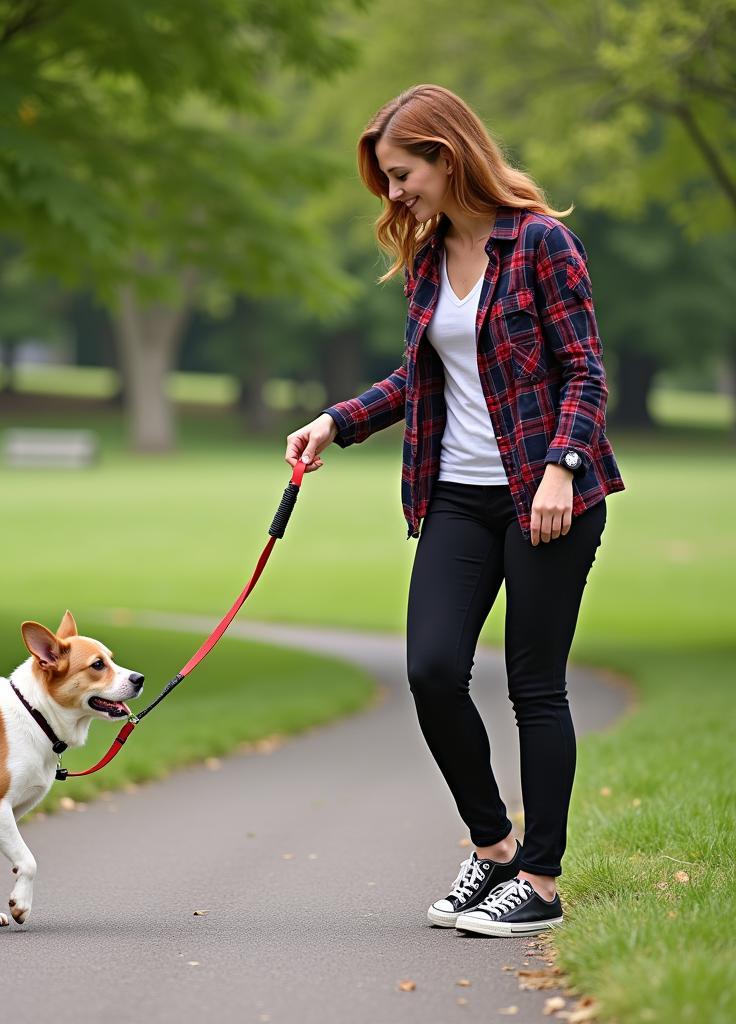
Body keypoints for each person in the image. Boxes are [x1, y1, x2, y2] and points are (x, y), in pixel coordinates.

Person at [284, 84, 624, 937]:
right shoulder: (431, 256)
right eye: (388, 181)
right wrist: (335, 421)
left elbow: (585, 371)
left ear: (447, 154)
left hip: (547, 495)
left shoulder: (542, 242)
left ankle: (540, 885)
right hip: (456, 499)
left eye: (402, 174)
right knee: (433, 671)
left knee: (534, 684)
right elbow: (419, 378)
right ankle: (496, 848)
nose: (394, 194)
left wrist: (562, 468)